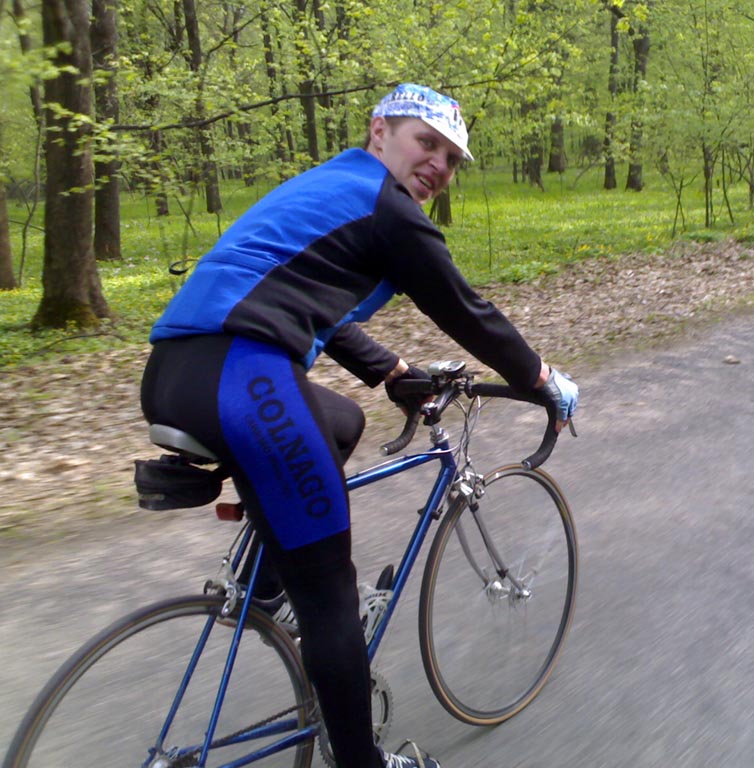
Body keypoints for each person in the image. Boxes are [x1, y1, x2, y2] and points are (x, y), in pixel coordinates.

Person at [140, 83, 579, 768]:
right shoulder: (388, 208)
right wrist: (541, 378)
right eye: (426, 142)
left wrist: (392, 371)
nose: (438, 164)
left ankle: (266, 586)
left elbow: (302, 297)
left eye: (452, 158)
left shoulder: (330, 185)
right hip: (245, 381)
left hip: (179, 373)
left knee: (340, 420)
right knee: (332, 601)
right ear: (380, 131)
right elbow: (465, 310)